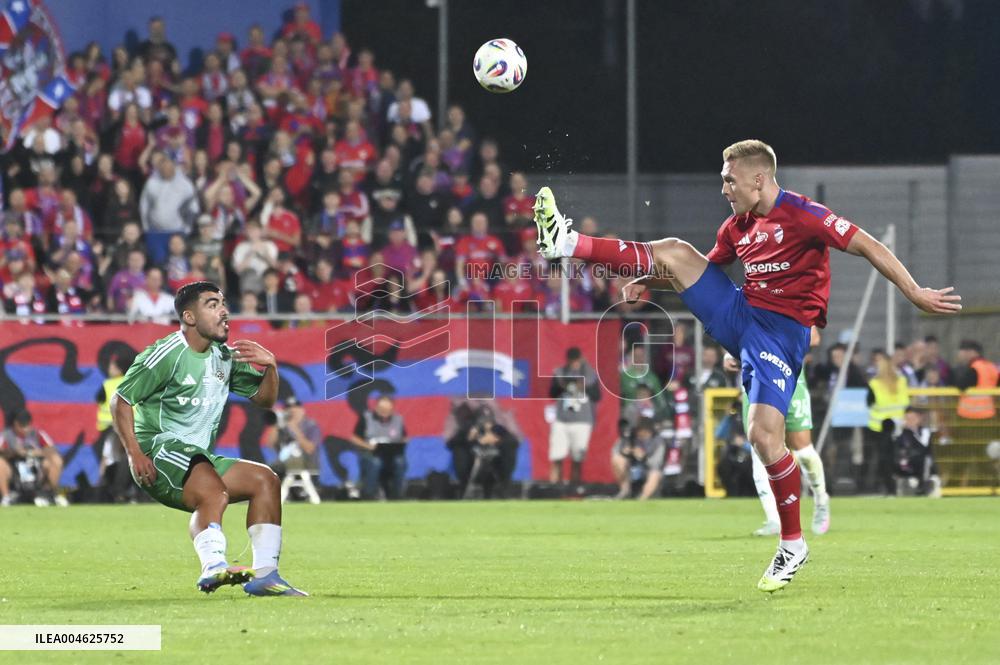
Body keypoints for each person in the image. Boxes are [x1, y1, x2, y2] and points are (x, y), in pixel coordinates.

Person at [533, 139, 962, 591]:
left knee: (764, 436)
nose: (723, 188)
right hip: (741, 315)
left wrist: (914, 291)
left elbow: (868, 244)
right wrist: (647, 281)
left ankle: (792, 543)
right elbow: (695, 271)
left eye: (729, 179)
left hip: (782, 333)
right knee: (676, 250)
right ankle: (566, 241)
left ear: (759, 179)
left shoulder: (804, 214)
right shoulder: (737, 227)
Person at [110, 281, 306, 595]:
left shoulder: (224, 358)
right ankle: (213, 565)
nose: (224, 311)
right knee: (214, 492)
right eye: (212, 305)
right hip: (157, 452)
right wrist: (134, 452)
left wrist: (271, 366)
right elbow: (120, 400)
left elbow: (264, 399)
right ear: (189, 317)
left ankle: (266, 576)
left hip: (197, 457)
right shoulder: (167, 353)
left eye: (223, 303)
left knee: (265, 480)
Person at [725, 326, 830, 537]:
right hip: (756, 379)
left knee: (803, 450)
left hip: (789, 377)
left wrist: (773, 346)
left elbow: (814, 337)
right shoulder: (745, 298)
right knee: (759, 448)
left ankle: (821, 499)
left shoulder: (791, 297)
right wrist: (730, 354)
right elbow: (732, 331)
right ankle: (773, 519)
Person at [548, 347, 601, 486]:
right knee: (557, 455)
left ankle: (574, 487)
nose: (574, 363)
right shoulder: (560, 372)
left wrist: (583, 386)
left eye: (577, 360)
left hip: (582, 421)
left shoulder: (589, 374)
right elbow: (552, 393)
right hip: (562, 420)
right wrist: (563, 386)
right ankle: (555, 486)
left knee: (578, 457)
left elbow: (597, 396)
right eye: (572, 361)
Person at [0, 410, 68, 507]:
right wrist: (14, 452)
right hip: (14, 470)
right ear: (15, 424)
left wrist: (35, 452)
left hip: (37, 469)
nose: (25, 429)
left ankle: (49, 493)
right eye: (22, 426)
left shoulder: (38, 433)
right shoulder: (6, 434)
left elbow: (52, 449)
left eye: (27, 426)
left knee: (56, 460)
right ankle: (6, 497)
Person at [349, 394, 408, 500]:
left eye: (388, 410)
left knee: (400, 462)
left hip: (392, 454)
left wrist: (399, 444)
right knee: (375, 463)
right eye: (382, 409)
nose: (385, 412)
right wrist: (368, 446)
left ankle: (397, 496)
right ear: (376, 407)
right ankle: (369, 495)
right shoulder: (366, 418)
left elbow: (405, 438)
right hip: (370, 453)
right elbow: (354, 438)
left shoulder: (398, 419)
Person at [866, 355, 910, 494]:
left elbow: (869, 403)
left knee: (884, 460)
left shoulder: (875, 384)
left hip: (881, 428)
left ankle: (889, 489)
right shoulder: (902, 381)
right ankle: (902, 485)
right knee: (900, 457)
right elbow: (905, 402)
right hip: (899, 426)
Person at [265, 396, 321, 484]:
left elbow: (310, 449)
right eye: (289, 409)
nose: (292, 411)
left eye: (296, 408)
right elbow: (269, 444)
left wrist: (294, 428)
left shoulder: (311, 426)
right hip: (284, 468)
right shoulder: (282, 426)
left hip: (307, 467)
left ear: (302, 410)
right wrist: (276, 423)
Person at [611, 418, 666, 500]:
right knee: (617, 459)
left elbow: (656, 464)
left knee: (655, 473)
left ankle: (643, 498)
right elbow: (615, 451)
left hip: (648, 469)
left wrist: (644, 457)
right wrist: (625, 452)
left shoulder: (658, 442)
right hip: (631, 468)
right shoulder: (629, 437)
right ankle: (625, 491)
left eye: (643, 430)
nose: (640, 433)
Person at [893, 407, 941, 497]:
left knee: (926, 459)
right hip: (907, 468)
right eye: (907, 419)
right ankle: (920, 484)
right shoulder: (901, 435)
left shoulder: (926, 433)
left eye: (913, 418)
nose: (910, 421)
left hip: (924, 467)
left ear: (919, 419)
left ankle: (924, 484)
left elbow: (926, 450)